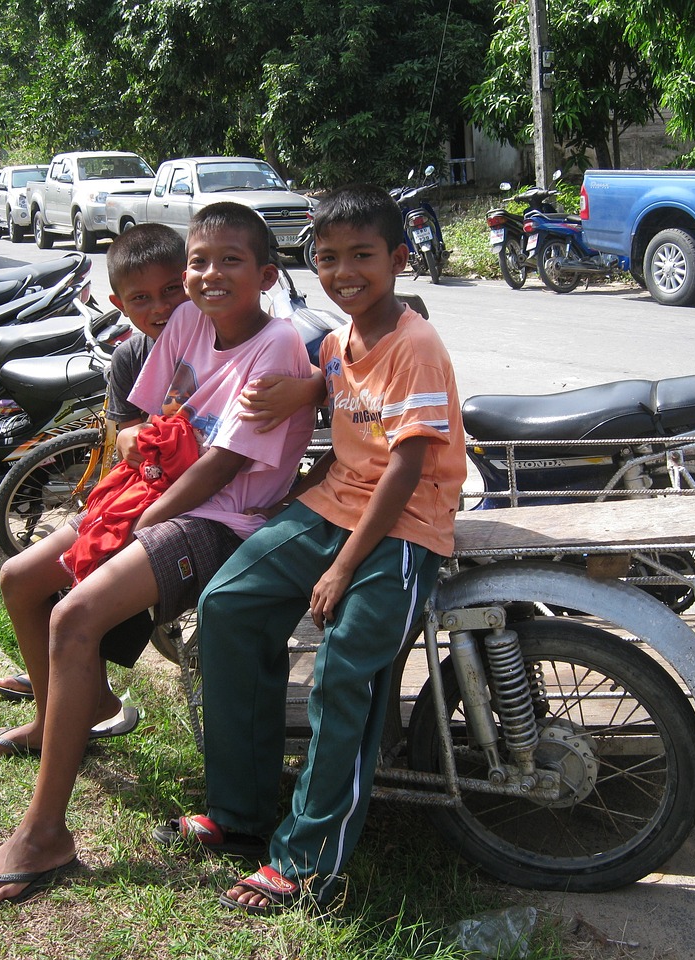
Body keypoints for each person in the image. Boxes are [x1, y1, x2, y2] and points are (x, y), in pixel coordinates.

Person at [0, 202, 316, 909]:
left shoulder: (276, 347)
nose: (208, 275)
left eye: (229, 261)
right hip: (156, 497)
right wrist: (126, 499)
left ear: (267, 275)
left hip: (220, 519)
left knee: (76, 615)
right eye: (199, 262)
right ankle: (65, 718)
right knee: (22, 577)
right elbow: (144, 420)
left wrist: (141, 518)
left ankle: (44, 833)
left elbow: (219, 465)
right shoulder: (182, 324)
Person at [158, 184, 467, 914]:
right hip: (333, 504)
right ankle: (240, 812)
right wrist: (303, 396)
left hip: (402, 527)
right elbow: (332, 383)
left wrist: (341, 566)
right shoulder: (335, 341)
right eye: (327, 258)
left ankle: (307, 862)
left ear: (397, 258)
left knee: (342, 676)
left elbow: (406, 466)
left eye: (362, 256)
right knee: (227, 606)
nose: (343, 271)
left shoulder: (416, 343)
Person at [0, 223, 189, 706]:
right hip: (133, 493)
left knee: (80, 598)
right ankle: (56, 698)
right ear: (118, 305)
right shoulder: (130, 357)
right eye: (141, 298)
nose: (160, 307)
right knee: (17, 578)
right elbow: (123, 433)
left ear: (193, 280)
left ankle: (76, 698)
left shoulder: (220, 345)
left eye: (171, 290)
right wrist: (130, 438)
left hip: (181, 507)